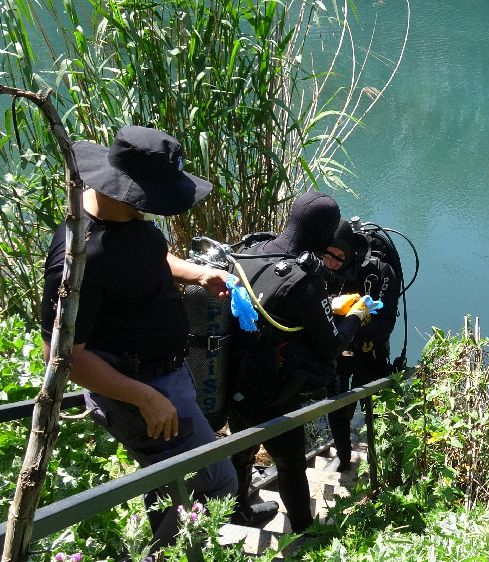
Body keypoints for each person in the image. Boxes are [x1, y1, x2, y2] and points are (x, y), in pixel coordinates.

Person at [39, 126, 238, 553]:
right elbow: (64, 357)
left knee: (166, 480)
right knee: (218, 483)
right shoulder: (79, 257)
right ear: (129, 189)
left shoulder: (131, 221)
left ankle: (177, 547)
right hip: (139, 389)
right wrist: (143, 397)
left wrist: (198, 272)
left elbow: (153, 256)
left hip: (167, 374)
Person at [226, 191, 372, 533]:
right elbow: (332, 345)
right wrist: (356, 314)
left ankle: (239, 508)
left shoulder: (249, 251)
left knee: (242, 447)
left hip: (236, 377)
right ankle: (306, 533)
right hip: (273, 392)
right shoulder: (303, 281)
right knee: (290, 462)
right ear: (324, 237)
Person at [324, 219, 400, 470]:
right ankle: (343, 456)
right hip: (337, 348)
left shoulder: (381, 271)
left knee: (372, 406)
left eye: (338, 256)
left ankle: (378, 461)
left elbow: (386, 322)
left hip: (370, 349)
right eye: (327, 254)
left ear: (350, 254)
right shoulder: (324, 269)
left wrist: (354, 321)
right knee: (336, 405)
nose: (332, 261)